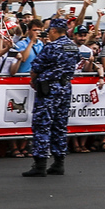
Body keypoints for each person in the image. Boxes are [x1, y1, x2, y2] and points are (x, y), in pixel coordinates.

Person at [21, 17, 80, 178]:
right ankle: (59, 163)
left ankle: (40, 164)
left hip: (49, 88)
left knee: (42, 125)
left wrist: (33, 81)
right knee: (60, 125)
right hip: (65, 87)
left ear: (54, 30)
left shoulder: (51, 47)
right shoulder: (73, 47)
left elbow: (36, 67)